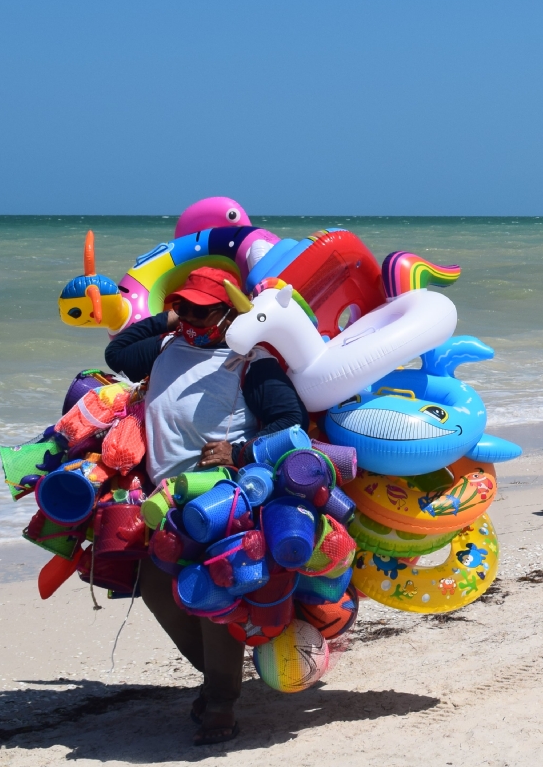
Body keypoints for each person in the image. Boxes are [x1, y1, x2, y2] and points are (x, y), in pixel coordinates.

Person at [103, 266, 309, 747]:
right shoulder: (167, 347)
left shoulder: (251, 362)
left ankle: (221, 704)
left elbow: (290, 421)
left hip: (226, 498)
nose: (192, 317)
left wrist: (240, 453)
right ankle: (221, 679)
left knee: (214, 598)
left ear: (231, 312)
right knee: (157, 590)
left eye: (203, 309)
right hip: (164, 498)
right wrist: (166, 320)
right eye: (185, 306)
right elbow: (116, 354)